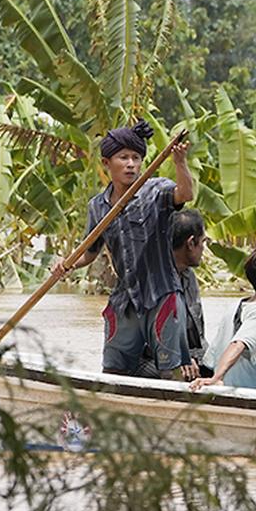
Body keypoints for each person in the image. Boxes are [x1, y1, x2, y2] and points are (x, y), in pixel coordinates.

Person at [52, 121, 195, 379]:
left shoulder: (155, 191)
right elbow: (90, 251)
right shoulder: (98, 206)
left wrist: (180, 162)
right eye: (123, 158)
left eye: (136, 158)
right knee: (113, 371)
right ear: (107, 163)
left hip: (161, 295)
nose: (131, 164)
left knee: (171, 370)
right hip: (125, 299)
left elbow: (185, 194)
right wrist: (68, 263)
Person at [189, 243, 256, 391]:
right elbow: (238, 343)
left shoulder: (235, 306)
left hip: (230, 387)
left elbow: (212, 358)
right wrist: (217, 378)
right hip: (253, 393)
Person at [171, 209, 209, 378]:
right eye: (203, 242)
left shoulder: (189, 276)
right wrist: (180, 357)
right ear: (191, 243)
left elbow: (198, 336)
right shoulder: (155, 281)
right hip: (162, 358)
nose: (203, 248)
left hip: (193, 356)